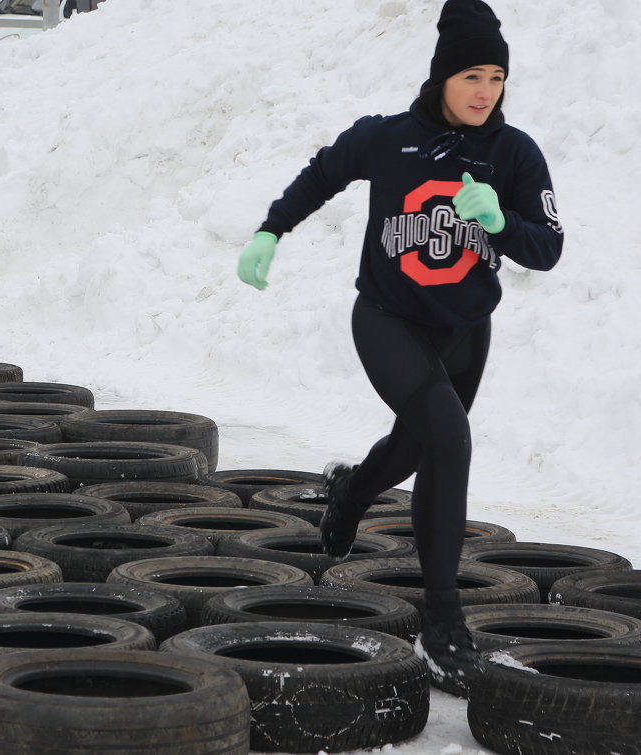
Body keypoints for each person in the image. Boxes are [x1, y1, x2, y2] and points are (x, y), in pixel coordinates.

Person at [236, 0, 562, 691]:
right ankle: (442, 625)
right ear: (442, 76)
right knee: (448, 437)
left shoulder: (514, 153)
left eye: (497, 77)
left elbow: (549, 248)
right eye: (472, 74)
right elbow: (323, 173)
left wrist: (502, 221)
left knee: (416, 445)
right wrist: (271, 231)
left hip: (466, 328)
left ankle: (351, 491)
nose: (485, 91)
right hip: (388, 318)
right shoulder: (388, 138)